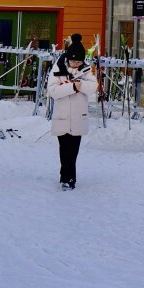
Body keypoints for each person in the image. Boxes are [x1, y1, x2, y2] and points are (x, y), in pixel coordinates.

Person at [46, 35, 99, 190]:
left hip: (78, 116)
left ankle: (71, 178)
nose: (76, 65)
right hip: (62, 116)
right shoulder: (57, 69)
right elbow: (53, 91)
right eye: (73, 61)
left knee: (74, 150)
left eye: (79, 62)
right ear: (68, 59)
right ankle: (65, 177)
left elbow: (93, 87)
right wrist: (72, 87)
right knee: (64, 148)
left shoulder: (86, 70)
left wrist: (80, 84)